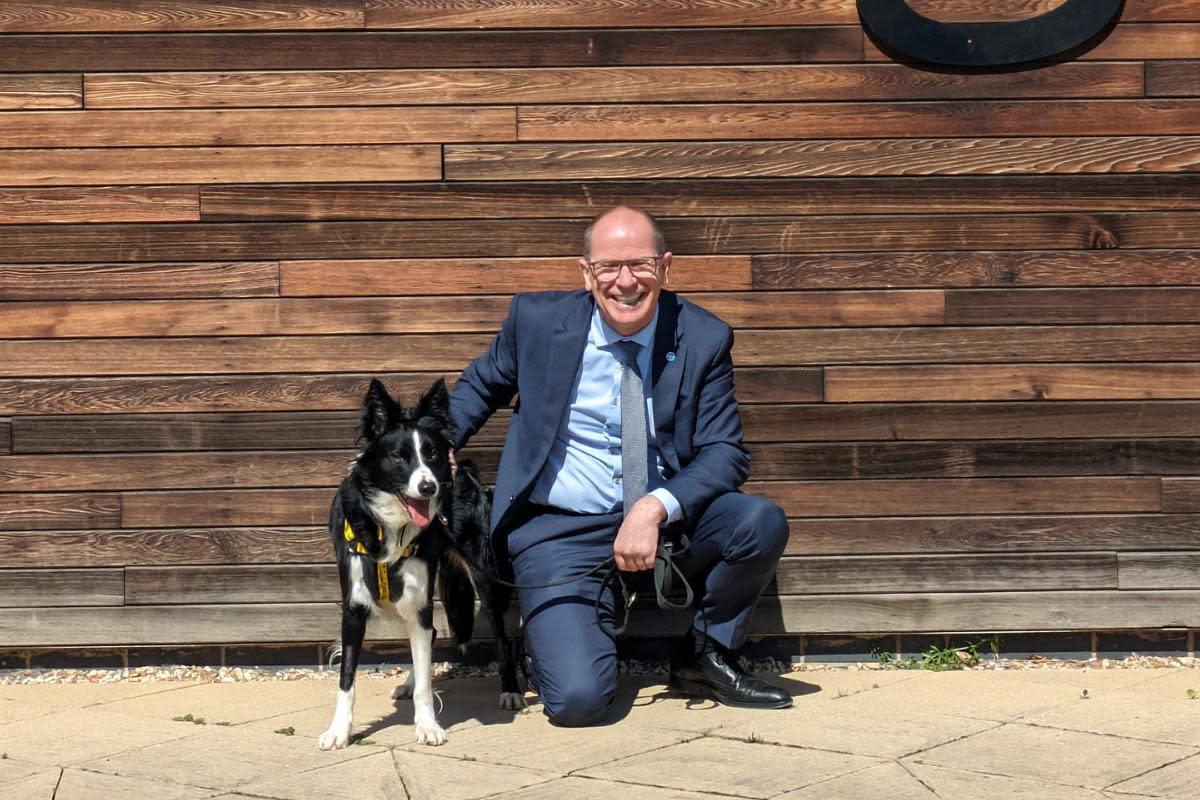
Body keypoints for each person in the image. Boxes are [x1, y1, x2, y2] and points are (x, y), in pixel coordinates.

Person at [449, 205, 791, 726]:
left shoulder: (703, 337)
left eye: (640, 264)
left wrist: (654, 508)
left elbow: (725, 452)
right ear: (586, 272)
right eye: (608, 267)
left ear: (666, 267)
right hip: (558, 530)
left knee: (758, 522)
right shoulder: (537, 322)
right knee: (578, 704)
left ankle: (704, 655)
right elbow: (478, 387)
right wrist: (436, 447)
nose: (625, 282)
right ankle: (582, 614)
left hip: (668, 531)